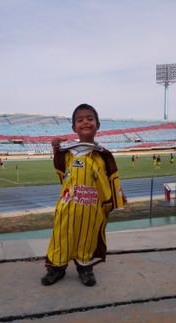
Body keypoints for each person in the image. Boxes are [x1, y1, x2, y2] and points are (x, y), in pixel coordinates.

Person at [41, 103, 126, 287]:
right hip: (68, 205)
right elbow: (62, 170)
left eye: (89, 119)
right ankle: (57, 268)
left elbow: (112, 177)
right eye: (80, 120)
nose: (85, 122)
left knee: (88, 239)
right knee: (61, 237)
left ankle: (85, 269)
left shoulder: (103, 154)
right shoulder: (69, 152)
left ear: (97, 124)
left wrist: (116, 197)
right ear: (74, 127)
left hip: (92, 208)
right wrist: (56, 148)